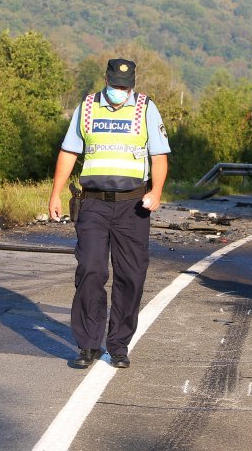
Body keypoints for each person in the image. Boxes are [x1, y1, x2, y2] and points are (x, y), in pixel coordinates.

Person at [48, 58, 170, 369]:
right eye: (115, 85)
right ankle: (88, 345)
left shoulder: (145, 108)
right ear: (106, 79)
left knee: (130, 276)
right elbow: (69, 151)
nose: (120, 91)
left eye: (125, 87)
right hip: (93, 204)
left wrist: (156, 191)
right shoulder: (87, 107)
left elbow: (159, 156)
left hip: (134, 206)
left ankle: (118, 345)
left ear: (133, 85)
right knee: (90, 269)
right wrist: (55, 193)